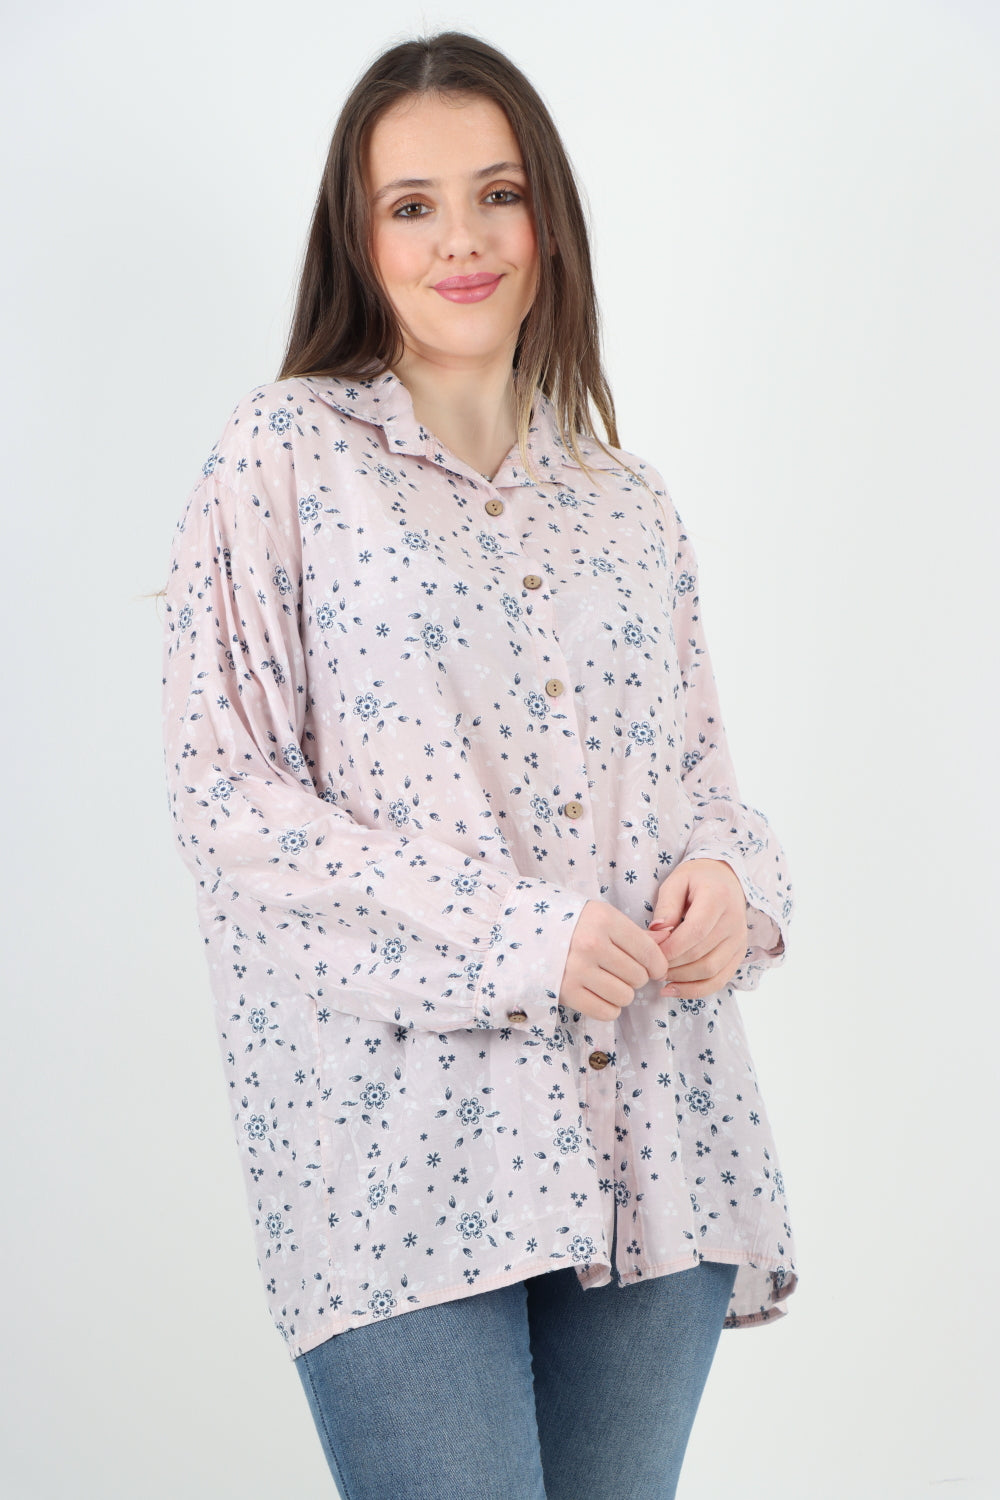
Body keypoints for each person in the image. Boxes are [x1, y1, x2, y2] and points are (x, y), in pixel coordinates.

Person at [161, 30, 796, 1500]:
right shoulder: (282, 458)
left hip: (651, 1130)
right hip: (398, 1159)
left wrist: (728, 878)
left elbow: (701, 782)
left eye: (497, 194)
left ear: (546, 217)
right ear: (359, 238)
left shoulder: (629, 506)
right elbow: (230, 807)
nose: (462, 240)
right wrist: (519, 936)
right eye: (413, 205)